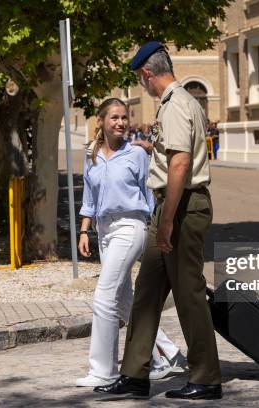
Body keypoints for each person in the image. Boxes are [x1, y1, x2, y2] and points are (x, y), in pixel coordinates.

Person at [95, 41, 222, 400]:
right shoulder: (177, 103)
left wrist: (167, 222)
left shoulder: (176, 104)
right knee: (147, 293)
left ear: (147, 74)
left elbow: (180, 164)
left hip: (182, 207)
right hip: (166, 206)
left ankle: (206, 378)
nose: (143, 86)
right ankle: (135, 373)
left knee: (188, 293)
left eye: (141, 79)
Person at [76, 98, 186, 388]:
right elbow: (89, 198)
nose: (120, 123)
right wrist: (84, 231)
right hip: (103, 229)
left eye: (124, 117)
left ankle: (104, 371)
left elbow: (149, 197)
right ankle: (164, 355)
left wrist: (159, 231)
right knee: (124, 299)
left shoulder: (136, 154)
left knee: (104, 296)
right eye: (114, 117)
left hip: (131, 226)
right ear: (100, 121)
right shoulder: (91, 155)